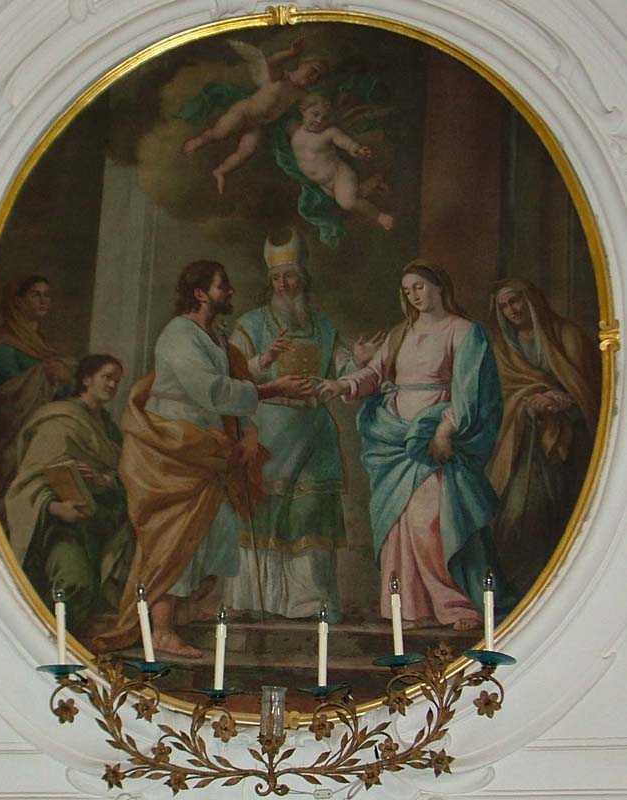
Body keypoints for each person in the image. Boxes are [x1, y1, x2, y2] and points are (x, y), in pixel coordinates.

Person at [94, 260, 314, 658]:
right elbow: (212, 391)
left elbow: (235, 385)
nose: (229, 292)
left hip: (208, 449)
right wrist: (272, 390)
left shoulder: (217, 338)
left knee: (221, 531)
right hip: (172, 448)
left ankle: (185, 609)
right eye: (221, 286)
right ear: (200, 294)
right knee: (177, 538)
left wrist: (249, 431)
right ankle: (162, 629)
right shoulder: (178, 335)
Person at [318, 259, 508, 631]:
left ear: (439, 286)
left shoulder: (463, 331)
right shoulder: (401, 332)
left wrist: (444, 430)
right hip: (393, 437)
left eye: (419, 287)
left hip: (431, 436)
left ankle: (454, 604)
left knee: (429, 522)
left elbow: (469, 390)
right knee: (396, 524)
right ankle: (407, 606)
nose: (413, 296)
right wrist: (343, 385)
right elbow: (374, 373)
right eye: (407, 290)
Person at [224, 228, 384, 622]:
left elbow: (341, 368)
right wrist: (264, 360)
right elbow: (231, 378)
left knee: (311, 513)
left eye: (289, 276)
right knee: (265, 515)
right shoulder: (250, 324)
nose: (282, 284)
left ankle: (309, 602)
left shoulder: (323, 326)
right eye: (276, 278)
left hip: (314, 435)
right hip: (268, 433)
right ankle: (258, 602)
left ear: (303, 278)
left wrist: (359, 361)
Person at [5, 355, 134, 633]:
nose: (113, 385)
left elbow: (125, 474)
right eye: (107, 377)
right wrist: (56, 508)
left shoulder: (110, 428)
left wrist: (106, 480)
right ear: (86, 379)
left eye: (117, 380)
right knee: (75, 584)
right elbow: (27, 483)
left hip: (103, 525)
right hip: (61, 527)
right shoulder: (59, 420)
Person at [488, 278, 600, 595]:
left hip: (570, 444)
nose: (511, 311)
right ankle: (522, 591)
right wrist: (527, 403)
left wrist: (562, 401)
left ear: (531, 300)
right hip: (520, 444)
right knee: (516, 514)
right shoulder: (503, 349)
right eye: (504, 307)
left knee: (564, 515)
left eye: (515, 301)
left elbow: (592, 393)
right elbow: (498, 397)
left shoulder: (568, 336)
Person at [0, 275, 73, 526]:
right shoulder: (2, 347)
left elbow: (58, 392)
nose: (43, 301)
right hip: (8, 441)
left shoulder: (40, 343)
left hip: (38, 436)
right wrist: (45, 375)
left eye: (47, 295)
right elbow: (4, 399)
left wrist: (61, 380)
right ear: (18, 301)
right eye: (35, 295)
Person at [182, 38, 328, 194]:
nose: (314, 77)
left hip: (257, 125)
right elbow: (272, 62)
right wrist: (291, 53)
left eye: (318, 77)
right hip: (243, 113)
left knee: (246, 152)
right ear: (303, 64)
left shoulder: (302, 94)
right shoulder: (281, 77)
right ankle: (197, 142)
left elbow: (314, 106)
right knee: (220, 133)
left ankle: (221, 171)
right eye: (313, 70)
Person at [289, 94, 393, 231]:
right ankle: (375, 180)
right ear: (303, 110)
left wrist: (357, 149)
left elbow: (346, 142)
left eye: (325, 118)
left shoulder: (329, 132)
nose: (319, 120)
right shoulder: (295, 132)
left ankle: (379, 216)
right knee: (355, 194)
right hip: (323, 185)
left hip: (339, 176)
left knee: (348, 203)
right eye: (315, 114)